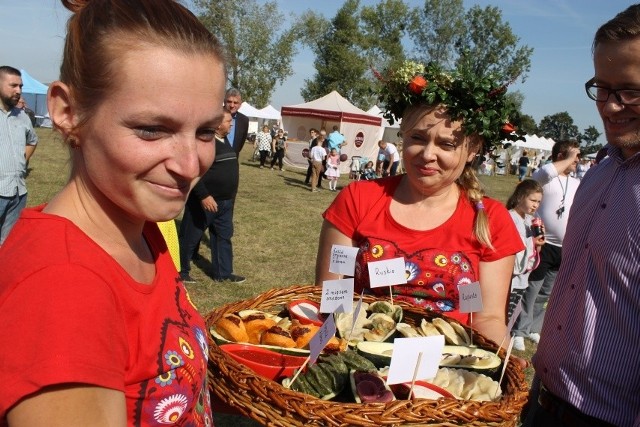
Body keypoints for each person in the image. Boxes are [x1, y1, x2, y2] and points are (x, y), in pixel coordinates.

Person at [0, 1, 225, 425]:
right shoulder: (63, 287)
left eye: (206, 132)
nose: (190, 165)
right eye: (152, 129)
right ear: (68, 112)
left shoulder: (139, 229)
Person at [315, 61, 524, 345]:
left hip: (446, 367)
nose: (427, 154)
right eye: (417, 138)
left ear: (472, 149)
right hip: (360, 353)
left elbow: (486, 318)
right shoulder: (358, 199)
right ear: (402, 134)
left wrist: (499, 360)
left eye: (446, 145)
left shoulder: (492, 219)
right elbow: (333, 294)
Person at [522, 5, 640, 426]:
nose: (610, 107)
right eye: (602, 88)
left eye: (629, 90)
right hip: (544, 399)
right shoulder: (601, 170)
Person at [511, 139, 580, 351]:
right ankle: (519, 330)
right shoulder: (545, 179)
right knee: (531, 290)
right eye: (573, 156)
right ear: (561, 156)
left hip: (563, 247)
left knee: (545, 293)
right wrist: (567, 158)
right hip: (543, 244)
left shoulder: (576, 182)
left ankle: (533, 327)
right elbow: (545, 171)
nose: (577, 161)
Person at [178, 108, 245, 284]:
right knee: (190, 237)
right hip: (205, 201)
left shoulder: (224, 141)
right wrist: (204, 195)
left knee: (223, 237)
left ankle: (223, 273)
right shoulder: (203, 143)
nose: (231, 124)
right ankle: (181, 271)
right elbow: (193, 172)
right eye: (228, 121)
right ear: (217, 124)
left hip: (225, 203)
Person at [0, 66, 38, 247]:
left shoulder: (22, 116)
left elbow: (32, 140)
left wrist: (22, 161)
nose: (19, 91)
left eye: (20, 86)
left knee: (8, 245)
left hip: (18, 192)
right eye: (13, 85)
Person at [505, 180, 545, 324]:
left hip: (522, 279)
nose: (536, 205)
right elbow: (510, 245)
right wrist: (531, 242)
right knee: (503, 314)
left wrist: (538, 243)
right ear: (520, 196)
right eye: (532, 200)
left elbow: (533, 253)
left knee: (510, 316)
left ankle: (504, 340)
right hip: (509, 278)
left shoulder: (530, 220)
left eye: (539, 202)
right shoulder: (509, 217)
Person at [224, 88, 249, 155]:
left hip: (233, 160)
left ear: (240, 104)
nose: (232, 105)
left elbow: (240, 145)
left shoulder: (244, 120)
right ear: (224, 101)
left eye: (235, 103)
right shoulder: (215, 116)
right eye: (229, 102)